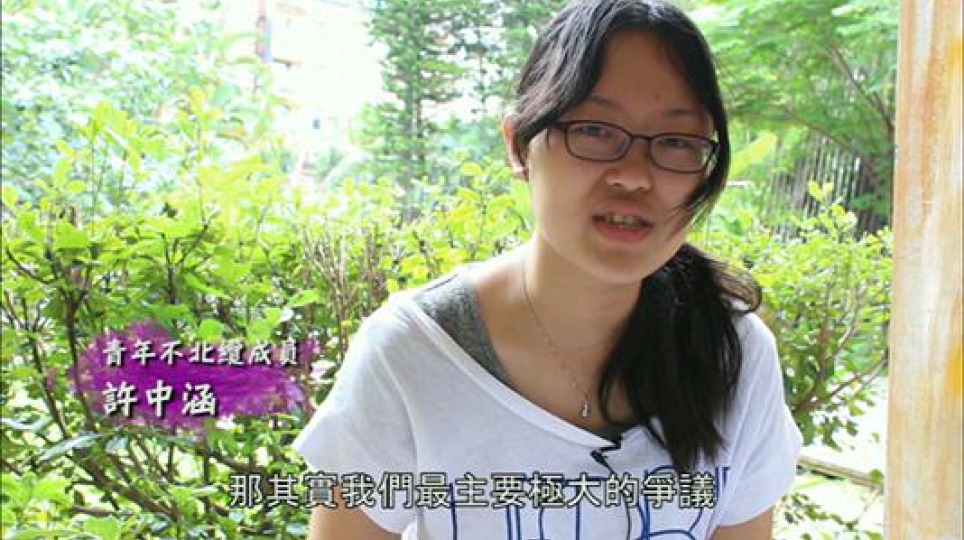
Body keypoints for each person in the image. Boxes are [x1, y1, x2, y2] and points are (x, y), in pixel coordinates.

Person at [293, 0, 803, 538]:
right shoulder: (411, 355)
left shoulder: (733, 353)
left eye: (677, 142)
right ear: (519, 146)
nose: (634, 176)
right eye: (595, 130)